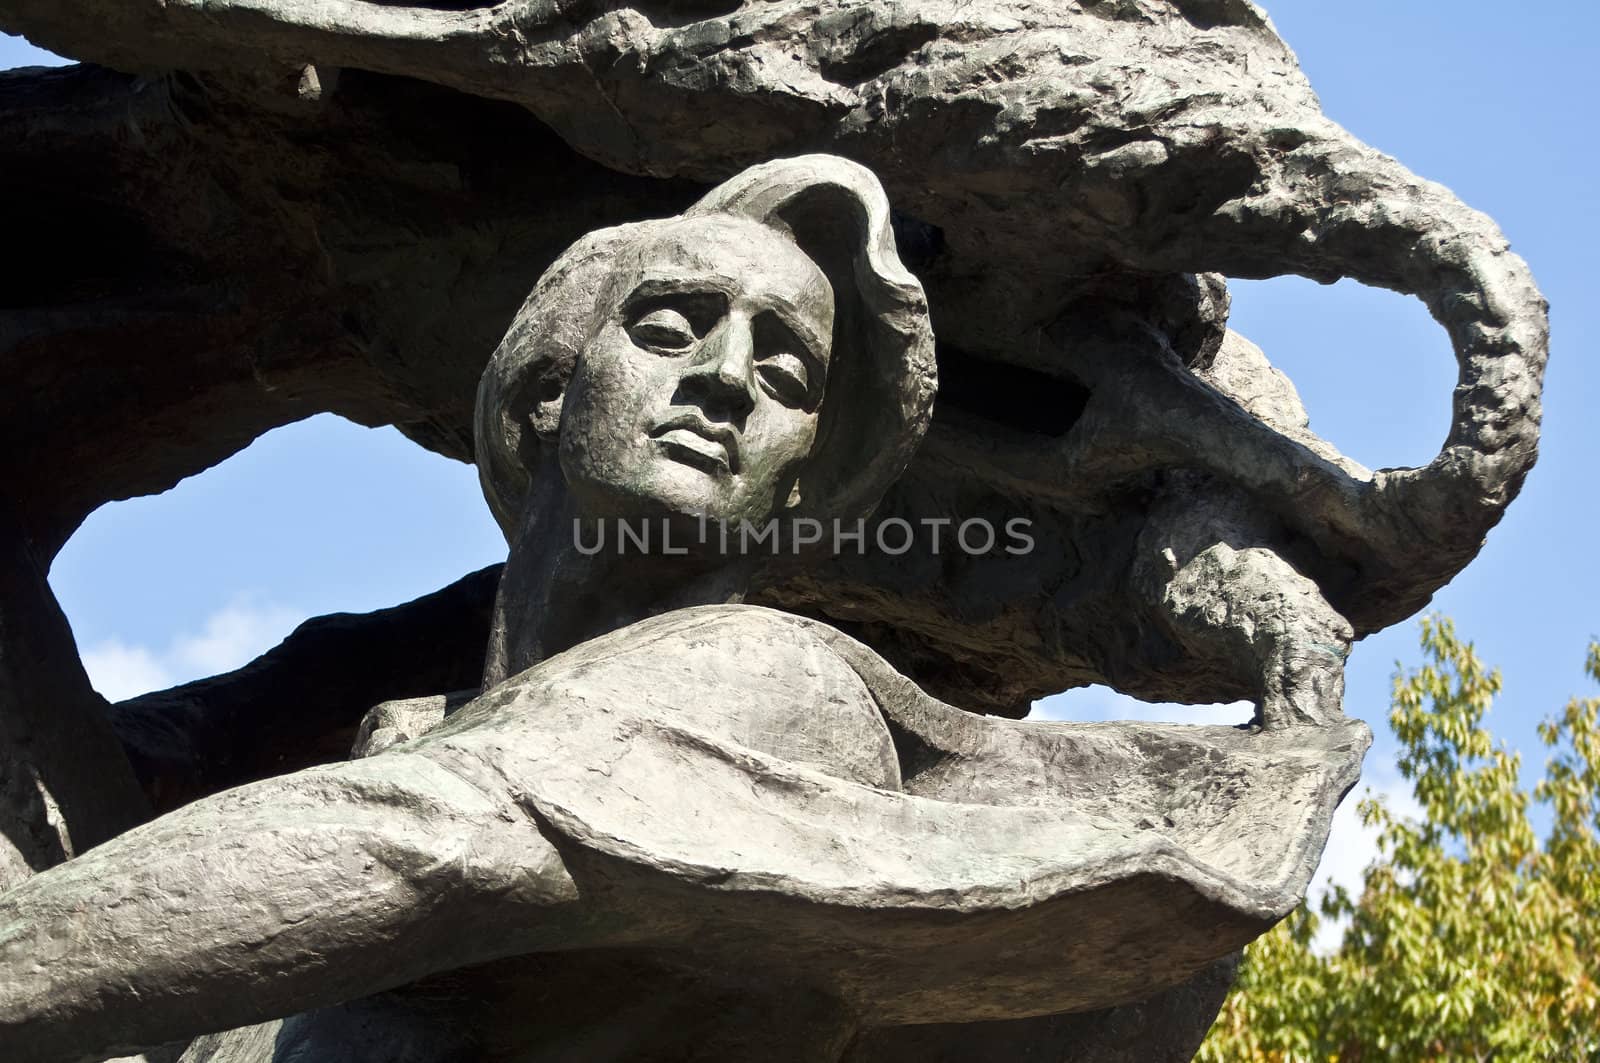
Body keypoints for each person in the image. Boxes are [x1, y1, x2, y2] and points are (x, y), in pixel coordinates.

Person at [0, 156, 1362, 1062]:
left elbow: (433, 847)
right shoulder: (405, 716)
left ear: (797, 493)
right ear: (546, 391)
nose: (727, 381)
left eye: (786, 372)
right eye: (672, 328)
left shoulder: (763, 685)